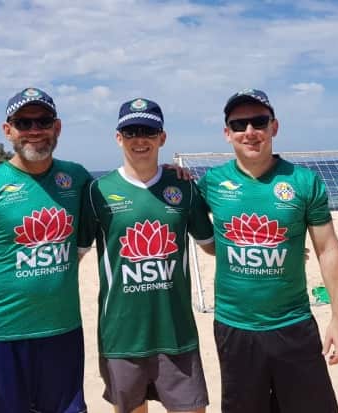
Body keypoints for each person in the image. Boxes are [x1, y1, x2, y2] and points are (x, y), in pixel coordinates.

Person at [197, 88, 338, 412]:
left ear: (274, 127)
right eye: (239, 125)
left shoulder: (304, 181)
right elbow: (188, 222)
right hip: (235, 328)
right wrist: (172, 176)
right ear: (227, 134)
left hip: (293, 325)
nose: (249, 132)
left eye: (259, 122)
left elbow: (328, 248)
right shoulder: (212, 182)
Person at [0, 87, 91, 413]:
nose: (35, 130)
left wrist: (168, 173)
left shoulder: (77, 178)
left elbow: (121, 192)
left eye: (43, 121)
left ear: (57, 127)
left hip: (64, 333)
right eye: (24, 122)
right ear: (8, 129)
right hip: (3, 337)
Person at [79, 98, 215, 413]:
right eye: (131, 131)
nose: (140, 139)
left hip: (177, 332)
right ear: (118, 138)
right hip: (122, 336)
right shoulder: (97, 192)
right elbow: (71, 255)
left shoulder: (184, 188)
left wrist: (264, 244)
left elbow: (211, 245)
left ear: (162, 138)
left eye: (148, 131)